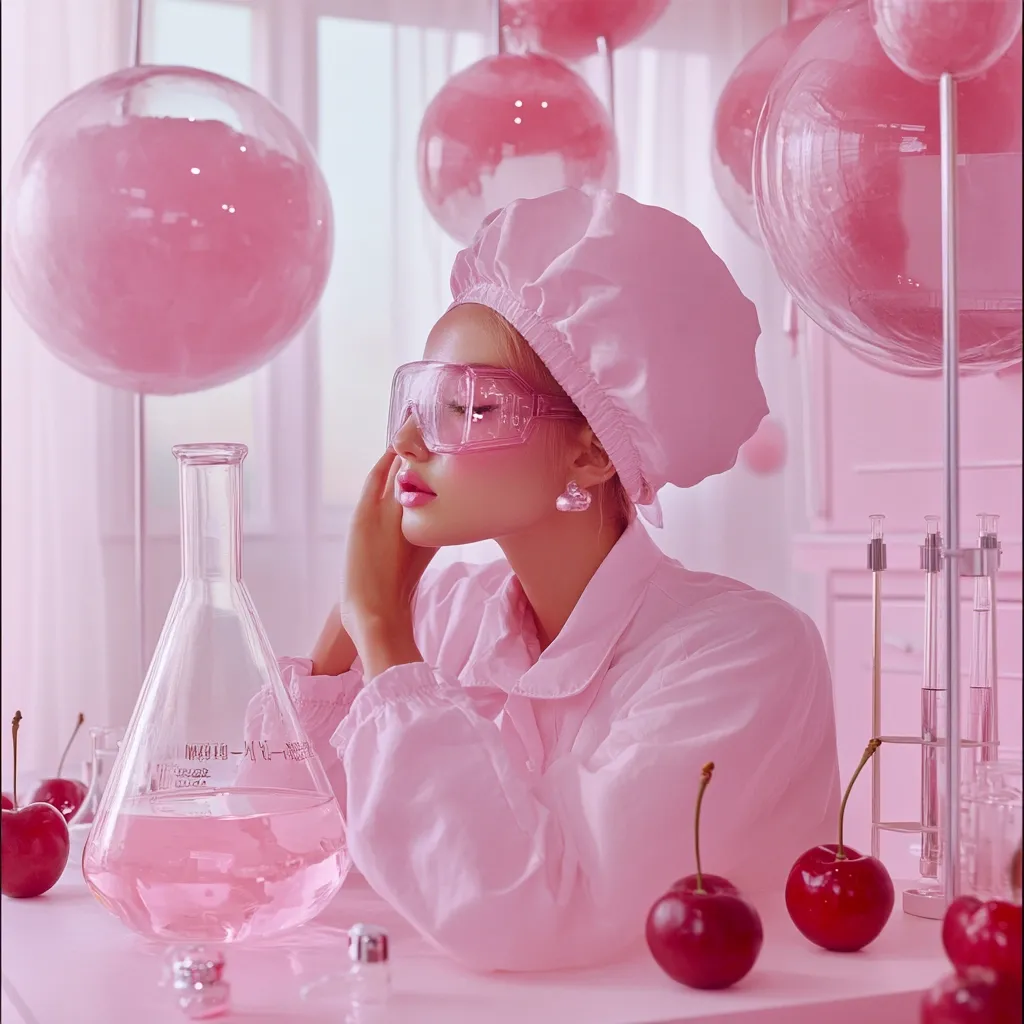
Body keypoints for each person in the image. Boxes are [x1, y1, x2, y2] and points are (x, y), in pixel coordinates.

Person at [249, 189, 840, 973]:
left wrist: (385, 635)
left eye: (468, 406)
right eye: (417, 399)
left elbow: (535, 914)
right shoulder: (450, 614)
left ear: (591, 455)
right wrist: (352, 625)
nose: (408, 439)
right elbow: (280, 845)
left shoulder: (742, 652)